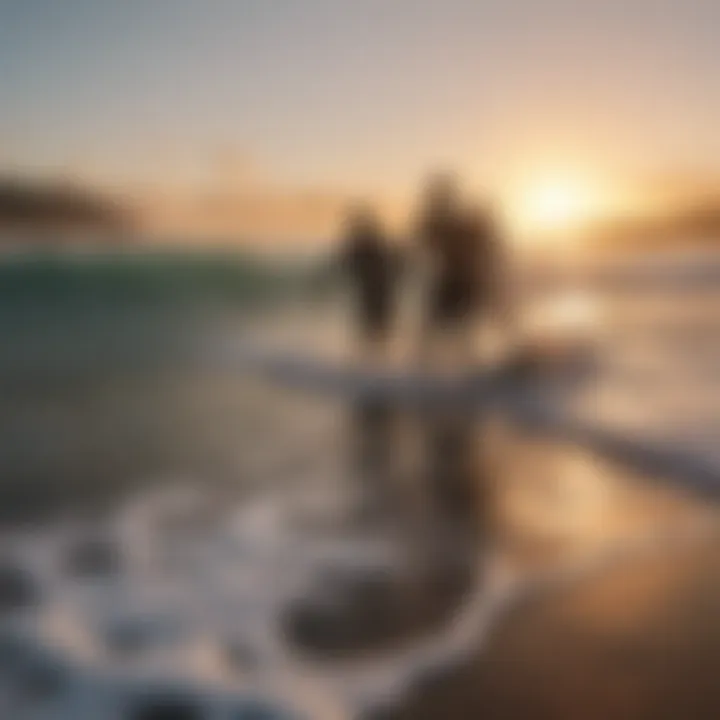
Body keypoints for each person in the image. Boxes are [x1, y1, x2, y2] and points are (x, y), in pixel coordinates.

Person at [338, 205, 401, 360]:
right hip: (378, 290)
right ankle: (376, 362)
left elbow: (348, 264)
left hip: (377, 290)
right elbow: (394, 263)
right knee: (376, 327)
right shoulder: (374, 242)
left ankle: (373, 362)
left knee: (374, 327)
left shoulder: (365, 243)